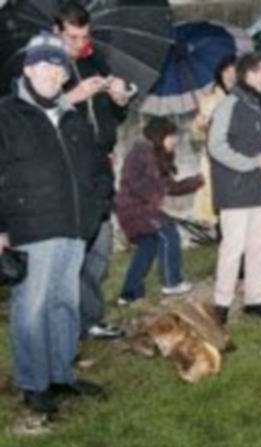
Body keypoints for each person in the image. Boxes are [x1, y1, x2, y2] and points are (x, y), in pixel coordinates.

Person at [0, 33, 112, 414]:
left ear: (66, 75)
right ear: (28, 69)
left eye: (59, 66)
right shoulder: (6, 114)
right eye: (45, 64)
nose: (52, 72)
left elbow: (98, 166)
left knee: (65, 304)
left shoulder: (72, 116)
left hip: (75, 225)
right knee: (32, 307)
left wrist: (96, 206)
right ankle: (34, 383)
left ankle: (62, 374)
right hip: (29, 226)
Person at [56, 1, 129, 341]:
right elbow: (35, 118)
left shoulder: (93, 59)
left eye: (83, 36)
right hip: (68, 171)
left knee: (100, 250)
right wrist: (72, 96)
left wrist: (119, 99)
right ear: (57, 32)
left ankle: (91, 318)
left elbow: (111, 119)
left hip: (101, 164)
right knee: (73, 253)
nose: (78, 43)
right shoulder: (44, 66)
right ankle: (73, 323)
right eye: (72, 37)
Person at [208, 53, 261, 324]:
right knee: (232, 248)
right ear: (250, 74)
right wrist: (252, 162)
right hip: (236, 191)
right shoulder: (229, 105)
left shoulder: (259, 105)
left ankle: (256, 298)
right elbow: (215, 146)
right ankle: (221, 304)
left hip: (260, 190)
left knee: (260, 247)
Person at [115, 118, 204, 304]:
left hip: (137, 209)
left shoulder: (155, 156)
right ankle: (172, 283)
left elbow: (169, 187)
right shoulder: (142, 151)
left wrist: (195, 182)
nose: (176, 141)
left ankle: (129, 294)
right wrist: (155, 195)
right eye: (172, 136)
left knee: (148, 247)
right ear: (160, 136)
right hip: (135, 208)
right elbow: (135, 181)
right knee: (168, 233)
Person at [191, 55, 236, 226]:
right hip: (216, 163)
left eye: (235, 71)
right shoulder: (208, 102)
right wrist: (199, 126)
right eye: (227, 71)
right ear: (220, 74)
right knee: (221, 212)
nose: (231, 75)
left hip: (241, 162)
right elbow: (196, 137)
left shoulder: (247, 100)